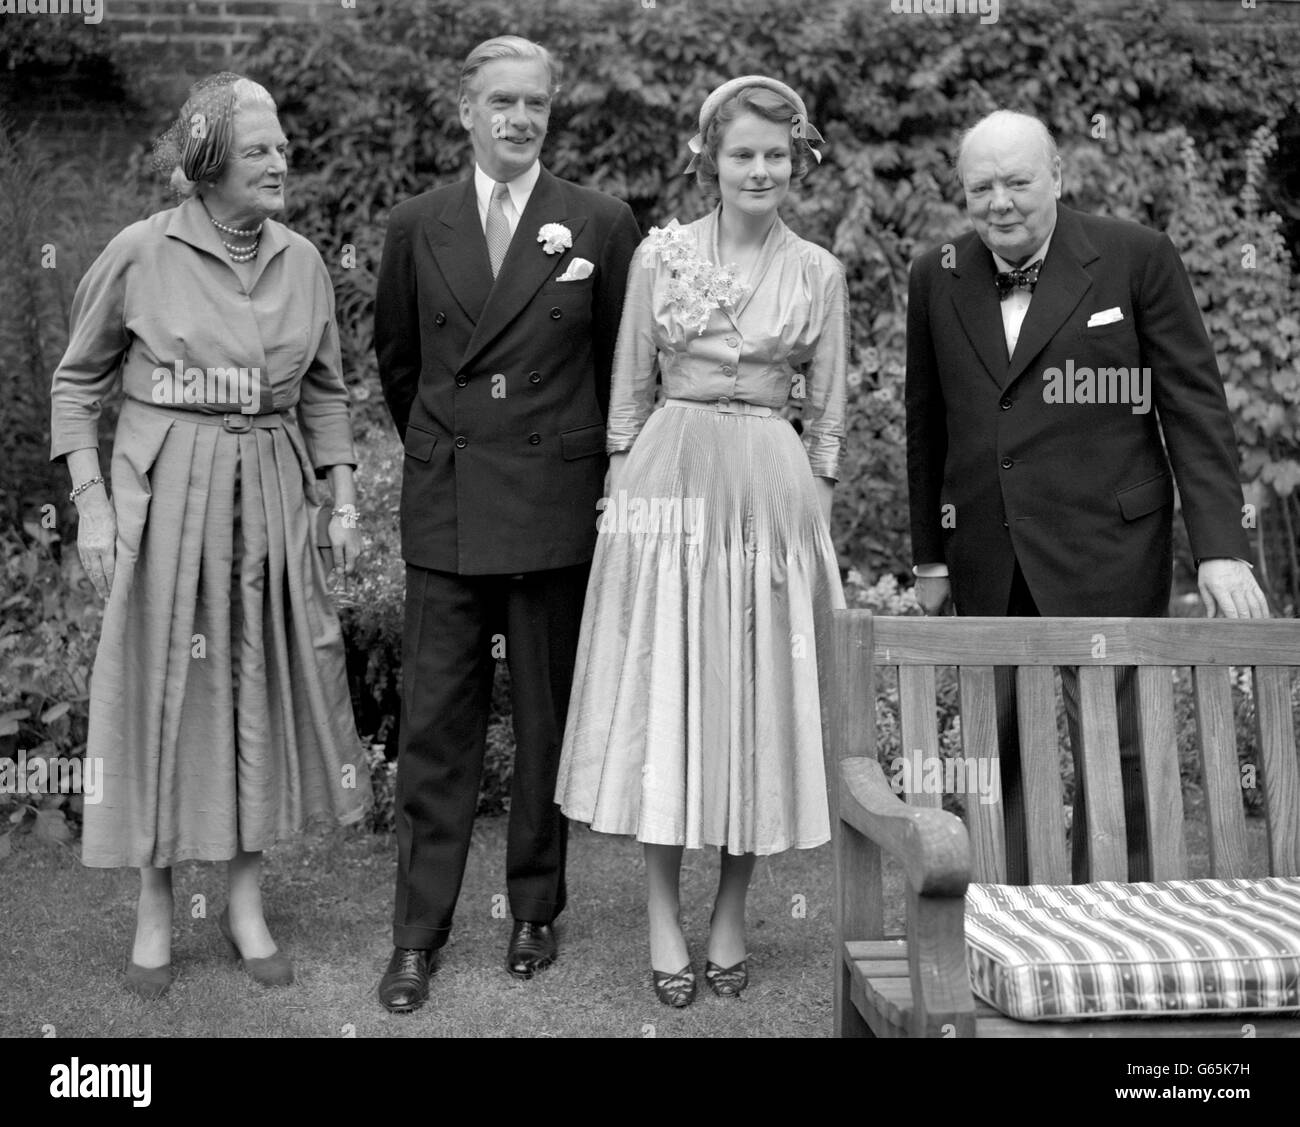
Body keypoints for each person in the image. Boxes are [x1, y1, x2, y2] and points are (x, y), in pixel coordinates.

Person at [49, 73, 369, 998]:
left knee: (253, 686)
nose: (281, 160)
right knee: (163, 691)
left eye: (281, 145)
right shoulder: (141, 252)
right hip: (166, 494)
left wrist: (340, 494)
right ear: (209, 158)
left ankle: (243, 902)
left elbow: (325, 393)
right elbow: (78, 383)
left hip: (268, 494)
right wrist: (91, 502)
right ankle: (155, 905)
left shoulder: (303, 259)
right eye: (261, 147)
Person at [905, 109, 1269, 883]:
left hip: (1112, 545)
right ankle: (1003, 915)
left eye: (1017, 182)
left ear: (1058, 178)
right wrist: (929, 557)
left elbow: (1193, 404)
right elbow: (925, 422)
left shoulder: (1136, 257)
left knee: (1121, 747)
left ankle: (1116, 914)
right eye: (981, 187)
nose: (1000, 201)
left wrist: (1221, 549)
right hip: (989, 551)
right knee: (993, 748)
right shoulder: (934, 274)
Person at [556, 76, 848, 1007]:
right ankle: (659, 915)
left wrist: (817, 510)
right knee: (668, 692)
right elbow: (627, 388)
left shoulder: (819, 272)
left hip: (770, 486)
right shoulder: (659, 256)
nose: (758, 170)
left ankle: (729, 912)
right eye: (741, 154)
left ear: (796, 161)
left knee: (751, 701)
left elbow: (832, 413)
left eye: (774, 154)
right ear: (709, 162)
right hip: (667, 480)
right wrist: (619, 491)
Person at [373, 35, 640, 1014]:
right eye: (500, 101)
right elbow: (398, 365)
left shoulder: (600, 224)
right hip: (447, 506)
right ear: (464, 110)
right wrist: (445, 449)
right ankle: (417, 932)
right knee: (436, 728)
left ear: (549, 111)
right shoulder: (415, 223)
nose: (518, 118)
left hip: (551, 508)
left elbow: (620, 374)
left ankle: (535, 905)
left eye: (534, 102)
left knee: (545, 724)